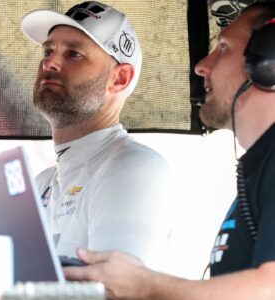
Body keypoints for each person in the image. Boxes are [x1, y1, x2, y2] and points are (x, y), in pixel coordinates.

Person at [63, 2, 275, 299]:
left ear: (268, 60)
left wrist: (145, 285)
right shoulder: (259, 170)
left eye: (223, 47)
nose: (202, 65)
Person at [21, 1, 172, 270]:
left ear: (120, 79)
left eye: (74, 54)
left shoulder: (133, 166)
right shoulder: (41, 183)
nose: (50, 63)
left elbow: (115, 291)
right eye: (48, 51)